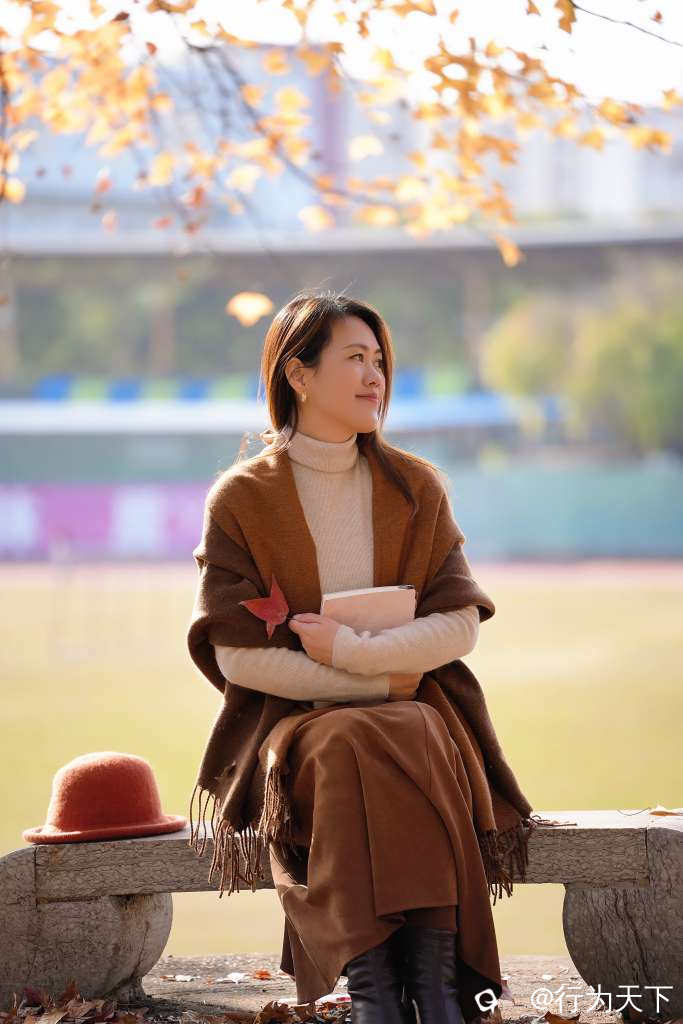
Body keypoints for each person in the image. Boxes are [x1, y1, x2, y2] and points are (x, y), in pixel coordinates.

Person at [188, 289, 538, 1024]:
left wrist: (350, 651)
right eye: (354, 358)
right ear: (298, 374)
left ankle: (412, 987)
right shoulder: (241, 499)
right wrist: (375, 680)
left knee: (404, 727)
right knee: (358, 735)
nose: (375, 376)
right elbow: (238, 656)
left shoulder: (414, 486)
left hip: (409, 714)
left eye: (379, 359)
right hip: (296, 728)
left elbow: (458, 625)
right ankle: (392, 989)